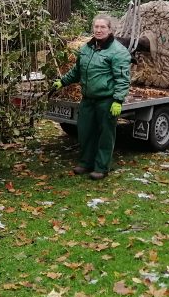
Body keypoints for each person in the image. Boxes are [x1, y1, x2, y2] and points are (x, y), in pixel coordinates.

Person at [51, 16, 131, 180]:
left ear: (109, 30)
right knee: (85, 131)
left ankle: (101, 167)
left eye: (103, 27)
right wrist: (62, 82)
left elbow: (123, 79)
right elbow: (77, 71)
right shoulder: (86, 48)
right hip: (88, 99)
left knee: (105, 134)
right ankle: (85, 163)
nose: (99, 30)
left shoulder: (118, 51)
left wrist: (118, 100)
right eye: (96, 27)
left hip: (106, 101)